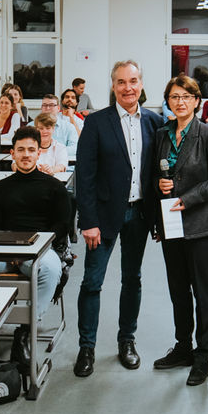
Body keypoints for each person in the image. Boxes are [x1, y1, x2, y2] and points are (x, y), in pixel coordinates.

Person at [73, 59, 163, 377]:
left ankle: (127, 340)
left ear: (141, 84)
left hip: (139, 214)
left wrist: (157, 218)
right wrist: (88, 221)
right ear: (113, 86)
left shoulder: (154, 122)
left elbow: (158, 172)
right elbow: (84, 176)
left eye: (133, 81)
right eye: (122, 82)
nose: (128, 87)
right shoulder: (97, 122)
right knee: (92, 282)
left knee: (132, 280)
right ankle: (87, 347)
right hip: (103, 216)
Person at [151, 74, 208, 386]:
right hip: (170, 223)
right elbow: (154, 176)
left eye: (186, 96)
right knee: (177, 290)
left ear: (197, 101)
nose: (180, 102)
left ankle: (203, 355)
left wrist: (188, 198)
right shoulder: (162, 133)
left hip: (199, 223)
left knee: (201, 290)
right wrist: (160, 186)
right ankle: (183, 347)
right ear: (168, 102)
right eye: (174, 97)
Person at [0, 126, 68, 315]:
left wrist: (32, 251)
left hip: (40, 252)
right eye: (20, 150)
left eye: (30, 150)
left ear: (39, 153)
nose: (26, 155)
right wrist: (12, 254)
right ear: (12, 153)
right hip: (4, 253)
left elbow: (61, 226)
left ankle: (27, 328)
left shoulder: (55, 187)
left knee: (51, 271)